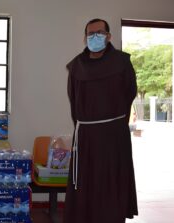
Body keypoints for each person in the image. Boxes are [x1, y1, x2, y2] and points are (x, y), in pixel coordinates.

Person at [64, 18, 138, 223]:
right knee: (86, 186)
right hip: (86, 135)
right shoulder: (77, 65)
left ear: (109, 36)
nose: (94, 37)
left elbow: (129, 92)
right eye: (90, 34)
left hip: (114, 134)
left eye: (99, 33)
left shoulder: (122, 62)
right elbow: (74, 100)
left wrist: (116, 122)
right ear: (84, 38)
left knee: (111, 184)